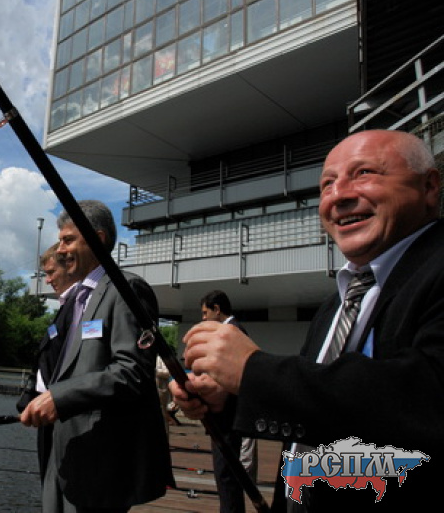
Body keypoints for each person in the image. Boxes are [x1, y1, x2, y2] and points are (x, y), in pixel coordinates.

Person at [169, 129, 443, 511]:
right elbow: (320, 400)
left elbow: (424, 397)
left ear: (429, 187)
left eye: (364, 173)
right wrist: (231, 396)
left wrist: (254, 371)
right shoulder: (336, 303)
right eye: (327, 184)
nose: (338, 195)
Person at [20, 200, 174, 512]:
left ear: (98, 239)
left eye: (68, 240)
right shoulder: (79, 298)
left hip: (100, 463)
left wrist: (59, 397)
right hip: (65, 454)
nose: (60, 250)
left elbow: (132, 372)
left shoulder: (127, 289)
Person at [17, 243, 80, 482]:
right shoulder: (64, 307)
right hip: (47, 410)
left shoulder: (80, 307)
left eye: (52, 272)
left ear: (70, 268)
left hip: (61, 412)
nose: (48, 280)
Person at [198, 289, 258, 513]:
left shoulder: (231, 333)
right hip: (226, 416)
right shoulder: (233, 331)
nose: (204, 318)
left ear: (217, 309)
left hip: (228, 416)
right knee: (226, 475)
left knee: (226, 474)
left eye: (205, 313)